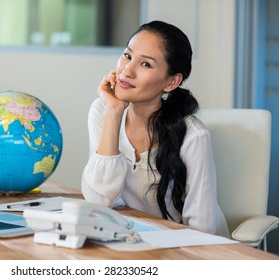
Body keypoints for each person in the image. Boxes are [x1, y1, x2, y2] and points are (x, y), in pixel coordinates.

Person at [81, 20, 229, 237]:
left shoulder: (194, 136)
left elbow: (202, 229)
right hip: (131, 241)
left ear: (171, 82)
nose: (127, 71)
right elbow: (98, 201)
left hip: (184, 250)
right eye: (128, 56)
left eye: (146, 64)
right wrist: (114, 113)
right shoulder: (103, 110)